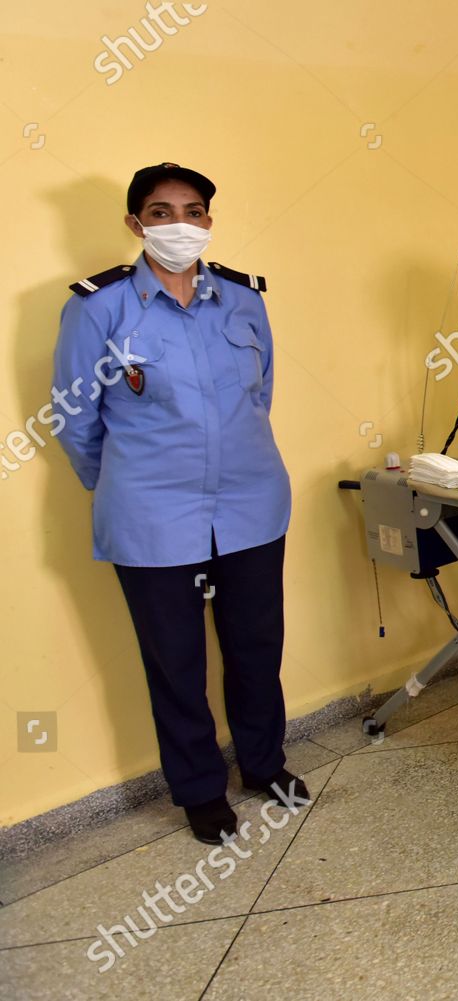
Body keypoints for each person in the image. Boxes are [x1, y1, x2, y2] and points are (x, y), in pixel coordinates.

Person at [53, 162, 305, 845]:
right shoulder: (98, 307)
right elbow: (76, 421)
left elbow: (261, 394)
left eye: (193, 210)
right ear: (135, 224)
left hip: (251, 505)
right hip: (152, 518)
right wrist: (128, 485)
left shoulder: (244, 300)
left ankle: (263, 764)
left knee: (256, 647)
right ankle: (198, 790)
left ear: (210, 222)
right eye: (161, 213)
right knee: (176, 661)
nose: (179, 225)